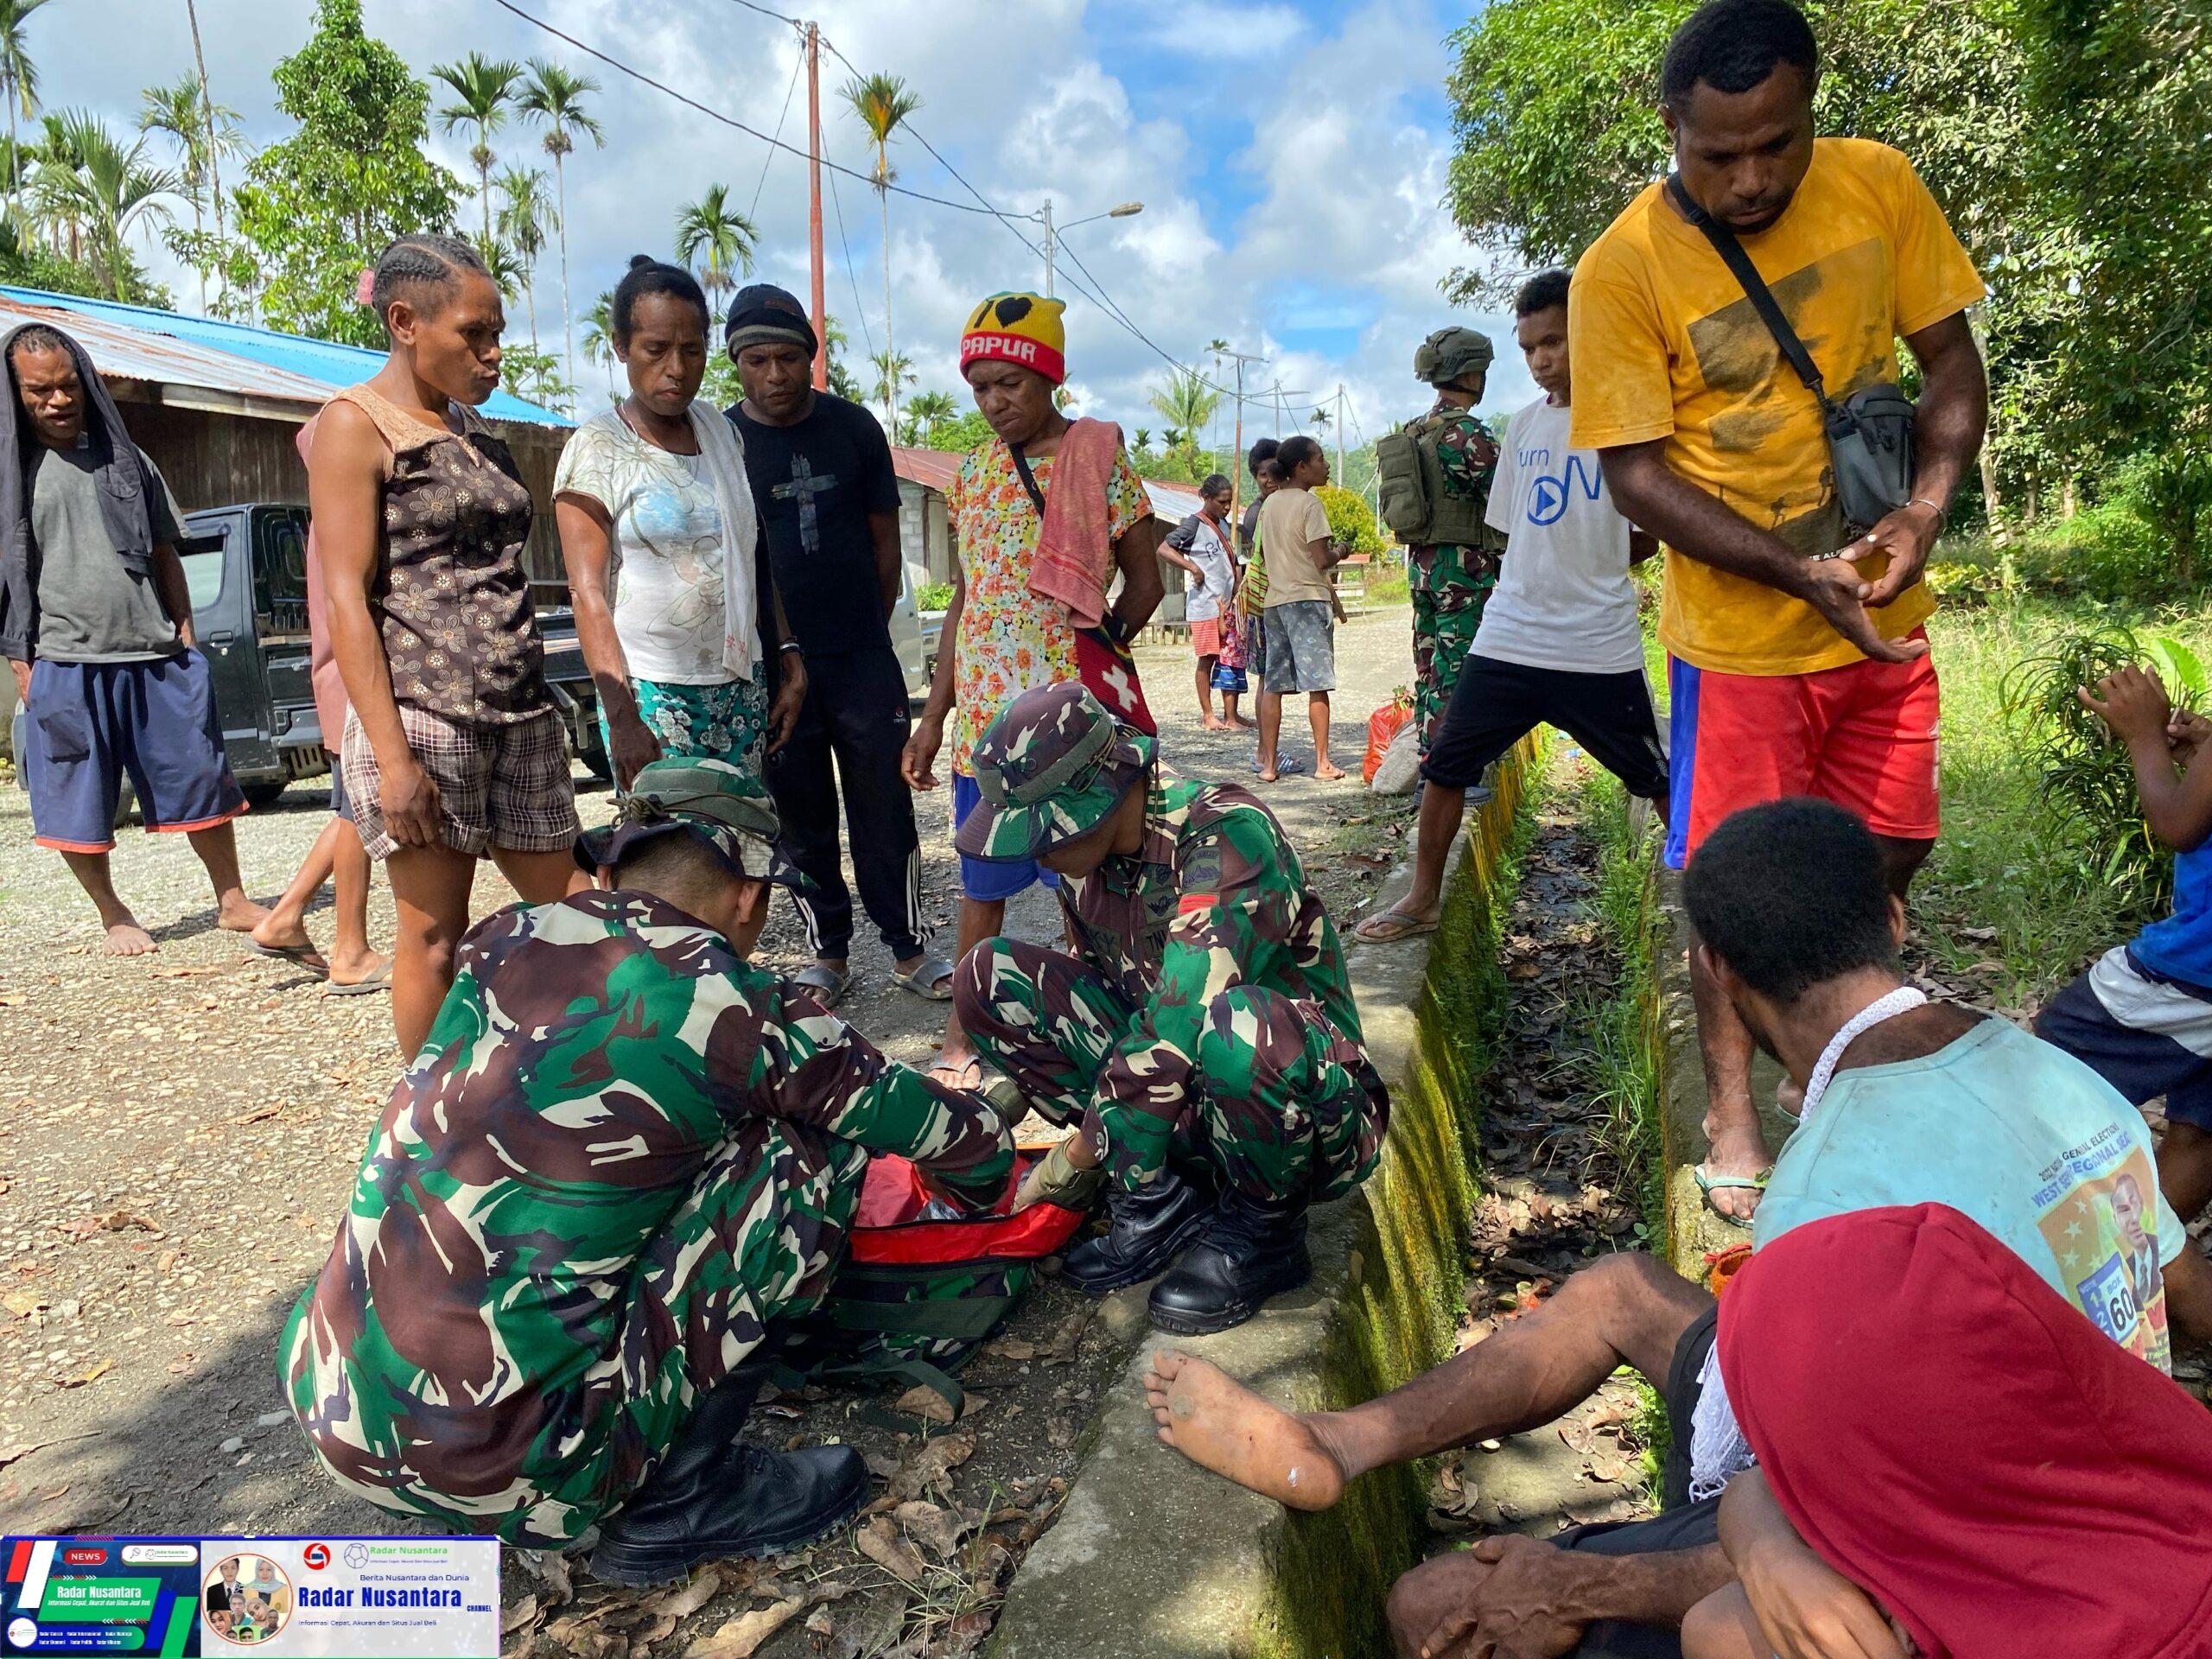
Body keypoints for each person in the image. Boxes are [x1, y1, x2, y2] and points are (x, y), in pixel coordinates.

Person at [1141, 799, 2212, 1659]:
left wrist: (1571, 1583)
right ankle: (1340, 1441)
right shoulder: (2063, 1082)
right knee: (1617, 1289)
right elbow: (2182, 1290)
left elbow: (1844, 1560)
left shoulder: (1837, 1201)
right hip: (2064, 1482)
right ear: (1892, 921)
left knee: (1429, 1603)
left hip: (1958, 1547)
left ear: (1719, 976)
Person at [281, 759, 1014, 1581]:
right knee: (804, 1154)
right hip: (518, 1467)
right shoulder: (733, 1001)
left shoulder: (504, 939)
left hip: (337, 1411)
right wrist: (998, 1121)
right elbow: (960, 1146)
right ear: (749, 896)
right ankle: (682, 1499)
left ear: (609, 868)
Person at [1569, 0, 1990, 1224]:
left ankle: (1850, 1065)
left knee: (1889, 854)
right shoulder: (1623, 270)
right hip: (1743, 650)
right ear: (1672, 129)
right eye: (1719, 155)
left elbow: (1952, 370)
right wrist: (1799, 573)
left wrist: (1923, 508)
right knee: (1734, 891)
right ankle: (1737, 1114)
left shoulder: (1880, 188)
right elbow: (1636, 475)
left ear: (1812, 117)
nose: (1752, 178)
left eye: (1778, 145)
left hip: (1885, 622)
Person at [952, 682, 1388, 1334]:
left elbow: (1178, 1021)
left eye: (1043, 835)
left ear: (1097, 799)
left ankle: (1263, 1233)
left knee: (1236, 1026)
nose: (1036, 855)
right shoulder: (1087, 867)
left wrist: (1076, 1156)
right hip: (1186, 1095)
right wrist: (1012, 1096)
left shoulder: (1225, 835)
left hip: (1301, 1113)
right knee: (988, 977)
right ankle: (1161, 1197)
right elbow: (1113, 994)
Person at [1681, 1204, 2212, 1659]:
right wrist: (1764, 1549)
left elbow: (1710, 1624)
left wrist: (1765, 1552)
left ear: (1887, 1501)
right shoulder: (2116, 1450)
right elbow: (1751, 1490)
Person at [311, 234, 584, 1060]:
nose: (493, 353)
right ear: (404, 320)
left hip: (521, 709)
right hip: (427, 719)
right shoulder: (355, 428)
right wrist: (393, 763)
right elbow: (348, 602)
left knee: (579, 916)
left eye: (497, 332)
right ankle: (431, 1133)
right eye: (474, 334)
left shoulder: (473, 429)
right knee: (434, 935)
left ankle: (576, 1091)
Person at [900, 291, 1164, 1088]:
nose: (992, 403)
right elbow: (967, 602)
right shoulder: (972, 475)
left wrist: (1098, 647)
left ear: (1048, 376)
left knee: (1089, 889)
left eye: (1007, 385)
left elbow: (1146, 581)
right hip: (986, 719)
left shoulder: (1099, 459)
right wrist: (933, 717)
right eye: (979, 388)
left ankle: (1108, 1027)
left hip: (1070, 727)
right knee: (982, 884)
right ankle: (964, 1033)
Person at [1358, 272, 1669, 944]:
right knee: (1445, 767)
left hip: (1597, 644)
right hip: (1510, 636)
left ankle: (1707, 897)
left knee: (1655, 777)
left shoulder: (1631, 419)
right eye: (1529, 348)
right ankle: (1422, 900)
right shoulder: (1522, 427)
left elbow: (1655, 522)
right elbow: (1513, 529)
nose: (1541, 360)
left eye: (1554, 342)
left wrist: (1604, 558)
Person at [554, 260, 809, 962]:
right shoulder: (598, 449)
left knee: (737, 859)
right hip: (655, 692)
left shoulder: (722, 433)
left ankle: (725, 997)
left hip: (737, 683)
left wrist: (784, 654)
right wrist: (623, 715)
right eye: (655, 350)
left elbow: (751, 553)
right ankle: (649, 1001)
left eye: (691, 349)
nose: (676, 368)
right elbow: (588, 592)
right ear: (621, 349)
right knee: (663, 863)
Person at [0, 322, 268, 956]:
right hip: (63, 662)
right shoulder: (11, 476)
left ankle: (231, 900)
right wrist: (21, 664)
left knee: (203, 778)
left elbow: (164, 551)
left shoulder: (126, 460)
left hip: (155, 654)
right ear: (14, 395)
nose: (59, 401)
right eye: (40, 391)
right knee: (75, 800)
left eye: (68, 386)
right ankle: (113, 912)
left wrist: (186, 634)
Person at [725, 282, 947, 1007]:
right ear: (737, 363)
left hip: (860, 656)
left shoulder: (854, 429)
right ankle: (828, 951)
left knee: (884, 803)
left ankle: (910, 946)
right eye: (756, 360)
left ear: (809, 358)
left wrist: (867, 630)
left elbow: (887, 544)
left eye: (788, 357)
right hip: (771, 664)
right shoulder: (724, 441)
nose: (775, 375)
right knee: (800, 812)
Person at [2035, 664, 2212, 1230]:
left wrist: (2142, 736)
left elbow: (2177, 824)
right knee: (2203, 1133)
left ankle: (2054, 1240)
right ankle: (2145, 1262)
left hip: (2192, 972)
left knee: (2050, 1059)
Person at [247, 414, 390, 994]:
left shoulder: (329, 508)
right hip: (356, 677)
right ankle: (348, 949)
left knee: (351, 805)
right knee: (358, 807)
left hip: (342, 675)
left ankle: (287, 916)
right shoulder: (346, 504)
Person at [1397, 327, 1504, 760]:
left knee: (1428, 667)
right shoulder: (1469, 435)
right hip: (1463, 571)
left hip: (1422, 566)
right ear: (1472, 374)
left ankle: (1430, 756)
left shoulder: (1415, 429)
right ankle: (1448, 768)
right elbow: (1506, 500)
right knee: (1457, 671)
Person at [1255, 436, 1346, 783]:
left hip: (1274, 603)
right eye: (1320, 459)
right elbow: (1322, 559)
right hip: (1308, 600)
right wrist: (1341, 551)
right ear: (1301, 467)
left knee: (1274, 685)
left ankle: (1268, 765)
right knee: (1318, 684)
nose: (1325, 465)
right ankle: (1323, 762)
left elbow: (1262, 554)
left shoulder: (1269, 505)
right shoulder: (1310, 505)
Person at [1160, 474, 1249, 731]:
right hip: (1205, 605)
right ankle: (1208, 714)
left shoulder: (1222, 524)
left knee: (1229, 659)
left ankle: (1232, 715)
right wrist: (1192, 567)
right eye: (1221, 502)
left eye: (1229, 502)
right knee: (1207, 659)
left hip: (1226, 605)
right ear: (1206, 498)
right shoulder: (1194, 525)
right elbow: (1164, 549)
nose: (1226, 507)